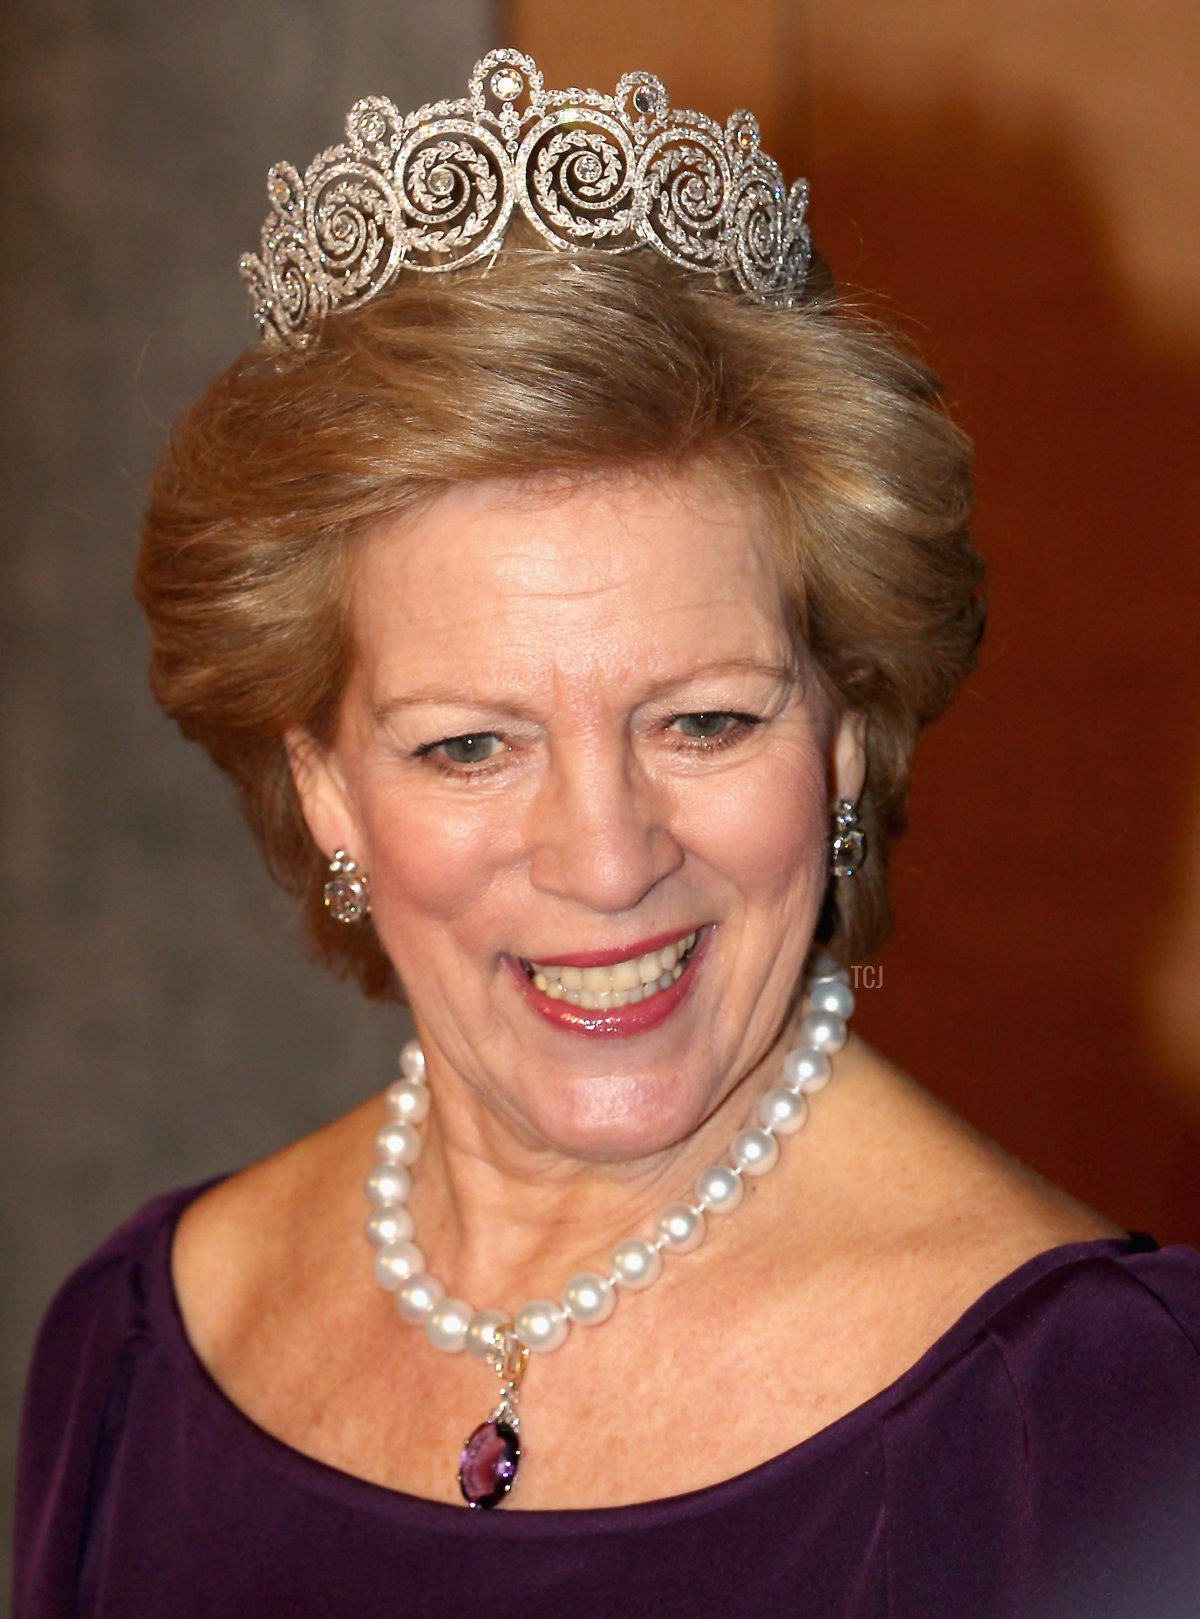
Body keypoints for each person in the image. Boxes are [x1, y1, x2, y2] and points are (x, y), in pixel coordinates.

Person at [14, 49, 1200, 1619]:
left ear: (844, 733)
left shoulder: (1109, 1421)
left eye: (704, 721)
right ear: (320, 785)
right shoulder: (132, 1347)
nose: (605, 855)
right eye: (468, 745)